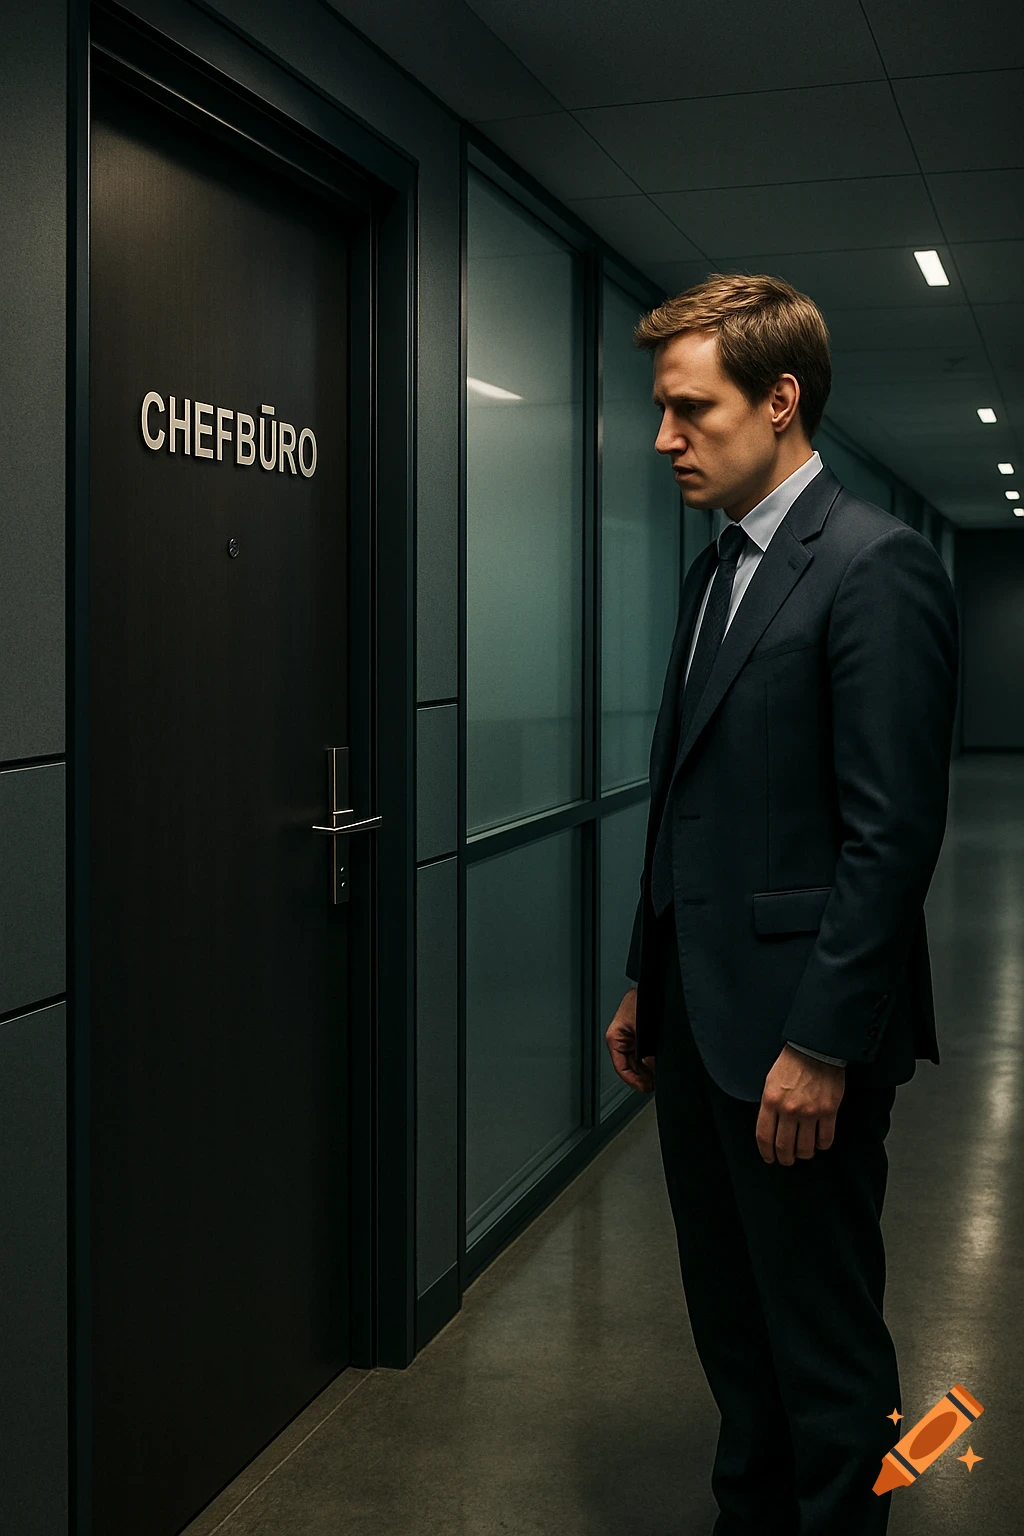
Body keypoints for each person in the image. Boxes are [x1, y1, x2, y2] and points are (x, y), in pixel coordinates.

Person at [604, 274, 959, 1536]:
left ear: (782, 399)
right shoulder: (718, 576)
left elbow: (889, 836)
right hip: (701, 1020)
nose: (665, 438)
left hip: (799, 1043)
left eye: (689, 410)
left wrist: (816, 1042)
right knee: (732, 1332)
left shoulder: (876, 567)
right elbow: (693, 799)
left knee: (821, 1350)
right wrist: (650, 975)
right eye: (664, 411)